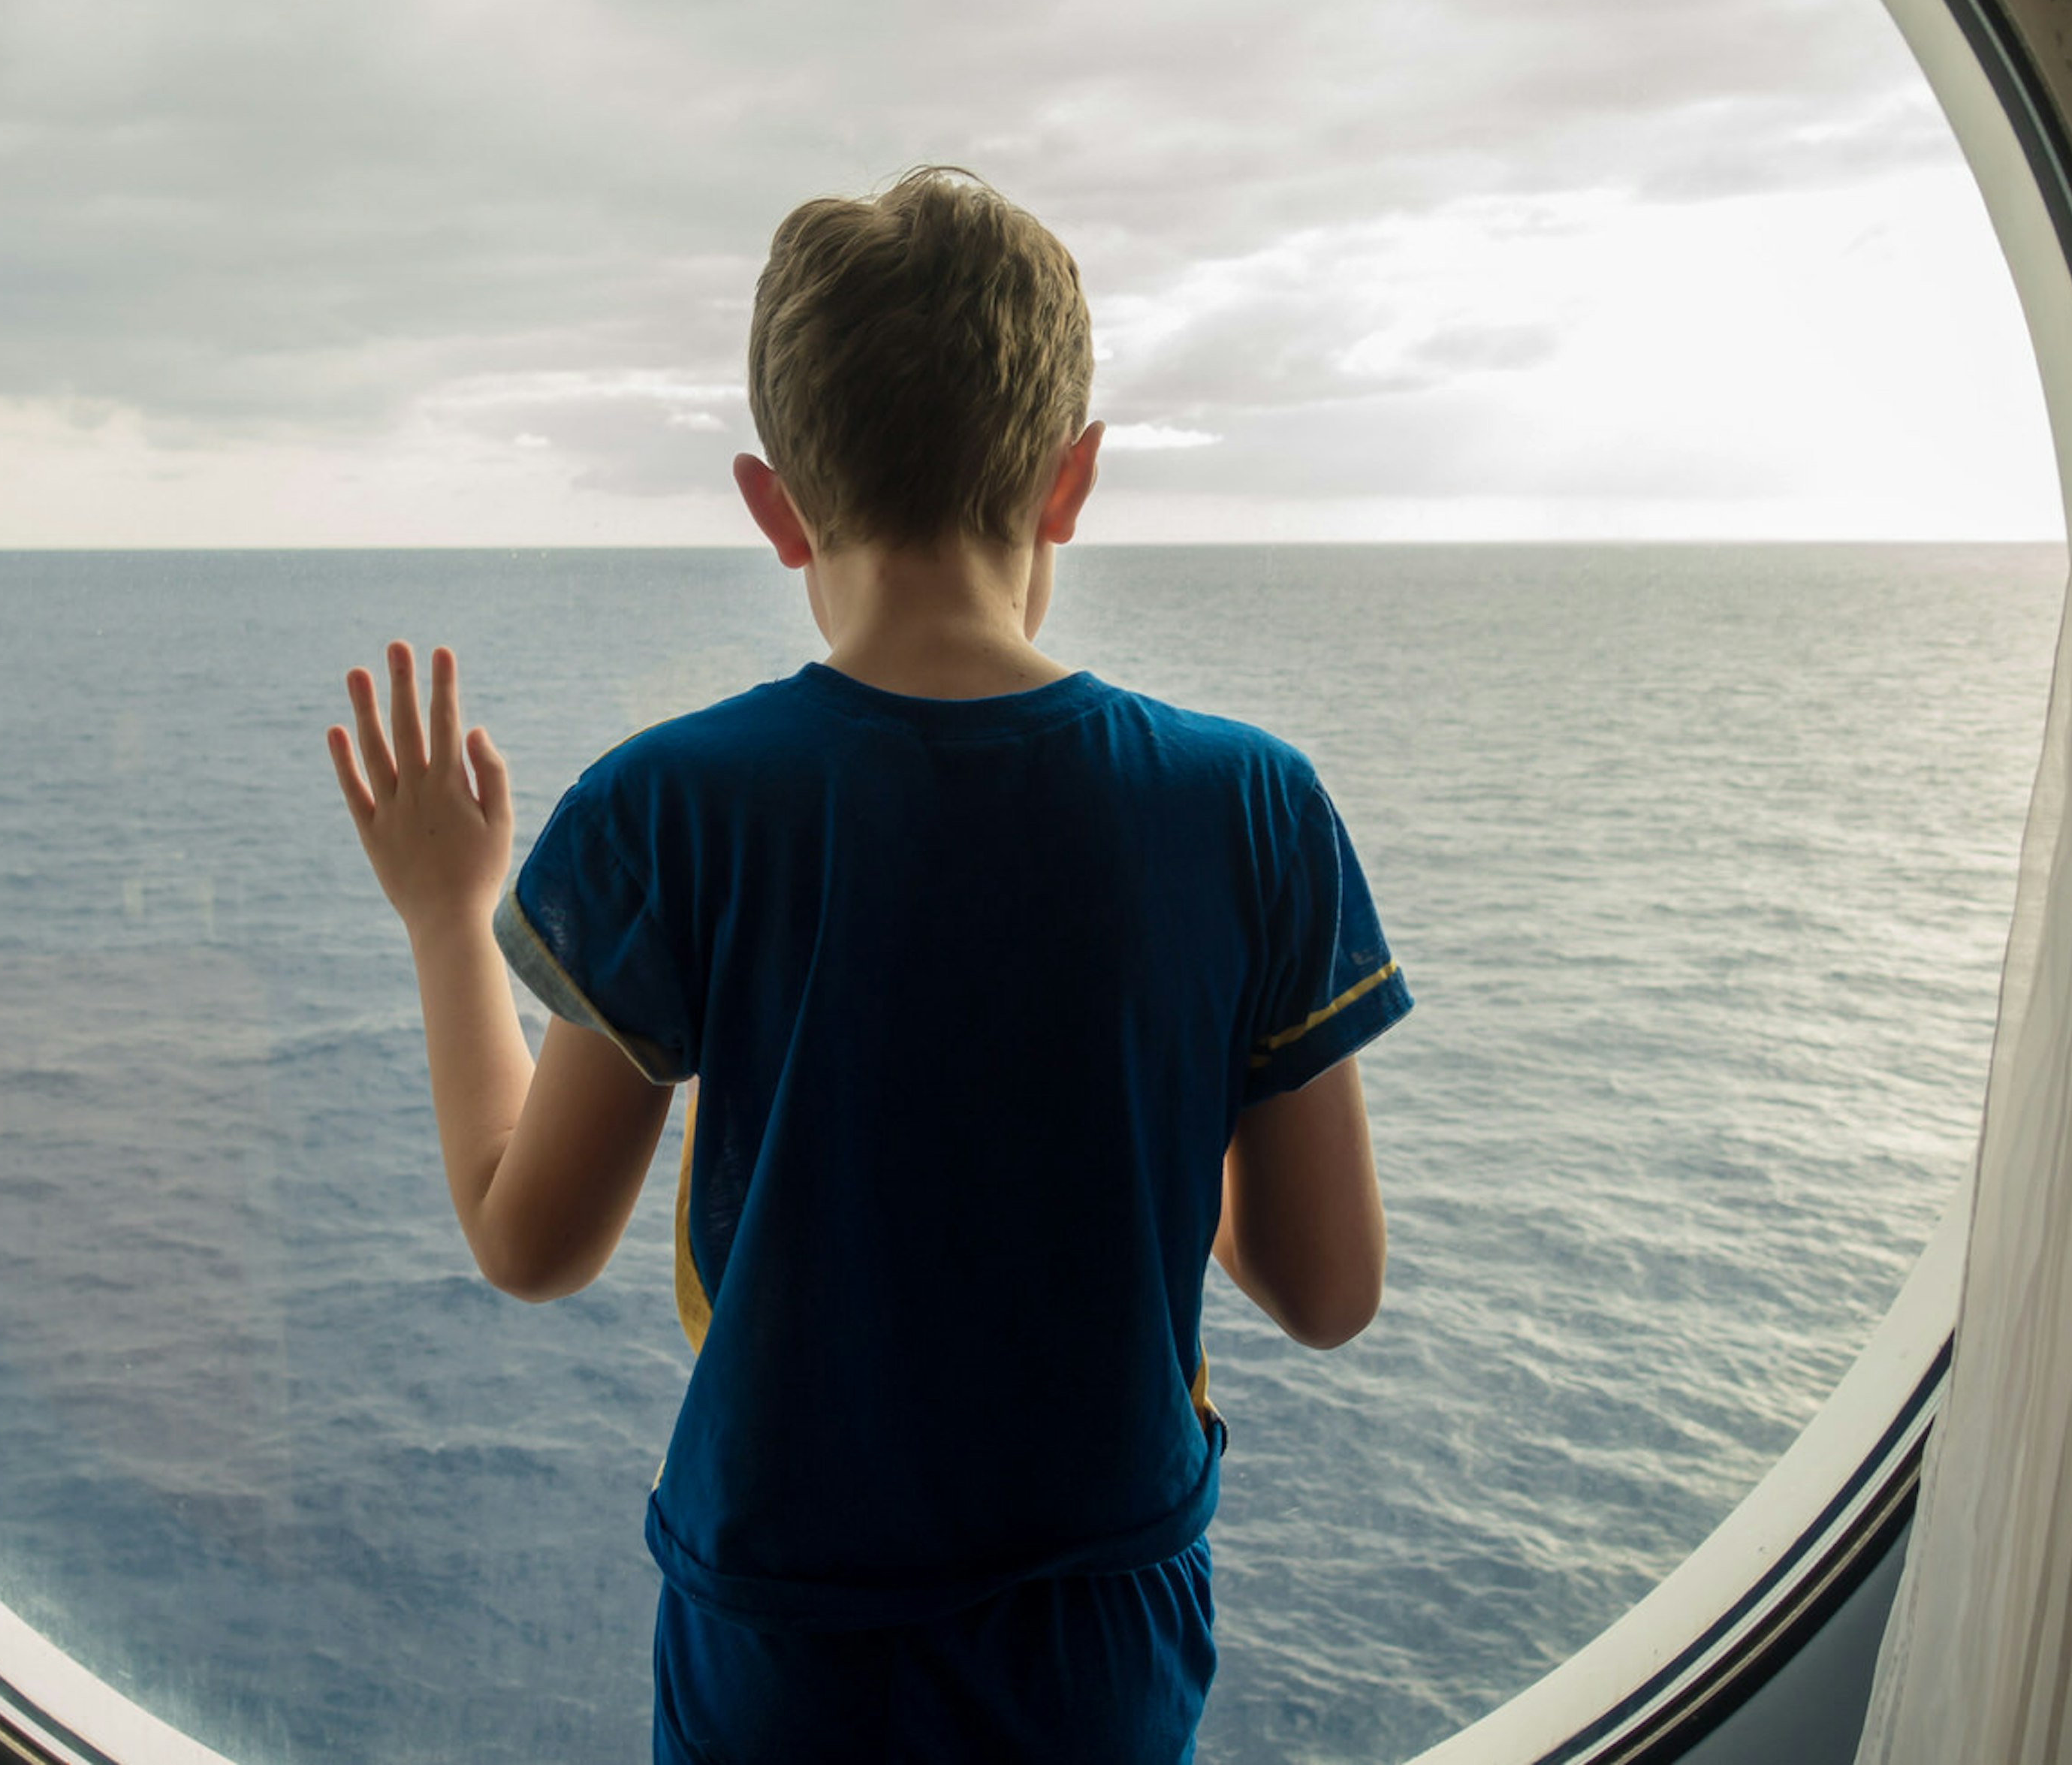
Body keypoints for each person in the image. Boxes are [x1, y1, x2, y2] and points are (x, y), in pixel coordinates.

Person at [325, 166, 1410, 1763]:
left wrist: (444, 914)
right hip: (1098, 1648)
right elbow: (1327, 1290)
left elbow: (528, 1239)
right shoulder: (1251, 804)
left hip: (784, 1657)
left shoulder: (669, 808)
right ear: (1073, 479)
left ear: (773, 507)